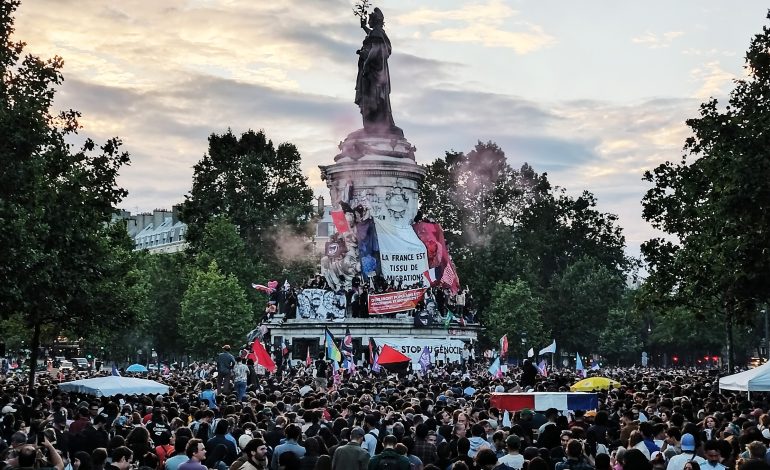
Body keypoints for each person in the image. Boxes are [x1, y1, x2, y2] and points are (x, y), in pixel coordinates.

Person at [354, 7, 401, 136]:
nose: (368, 21)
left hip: (373, 73)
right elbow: (372, 35)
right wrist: (364, 27)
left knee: (372, 98)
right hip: (376, 72)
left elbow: (374, 51)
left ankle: (374, 126)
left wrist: (366, 62)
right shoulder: (378, 33)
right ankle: (374, 125)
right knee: (375, 99)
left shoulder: (377, 34)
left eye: (369, 20)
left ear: (374, 21)